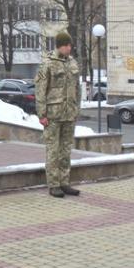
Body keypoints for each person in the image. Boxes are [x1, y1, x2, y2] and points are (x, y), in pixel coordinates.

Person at [35, 32, 81, 198]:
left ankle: (64, 182)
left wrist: (77, 109)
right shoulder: (48, 63)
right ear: (60, 45)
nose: (69, 48)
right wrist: (42, 114)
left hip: (69, 114)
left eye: (70, 45)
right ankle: (54, 184)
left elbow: (77, 89)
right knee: (53, 151)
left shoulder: (72, 63)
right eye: (67, 45)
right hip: (53, 115)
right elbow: (40, 90)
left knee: (66, 150)